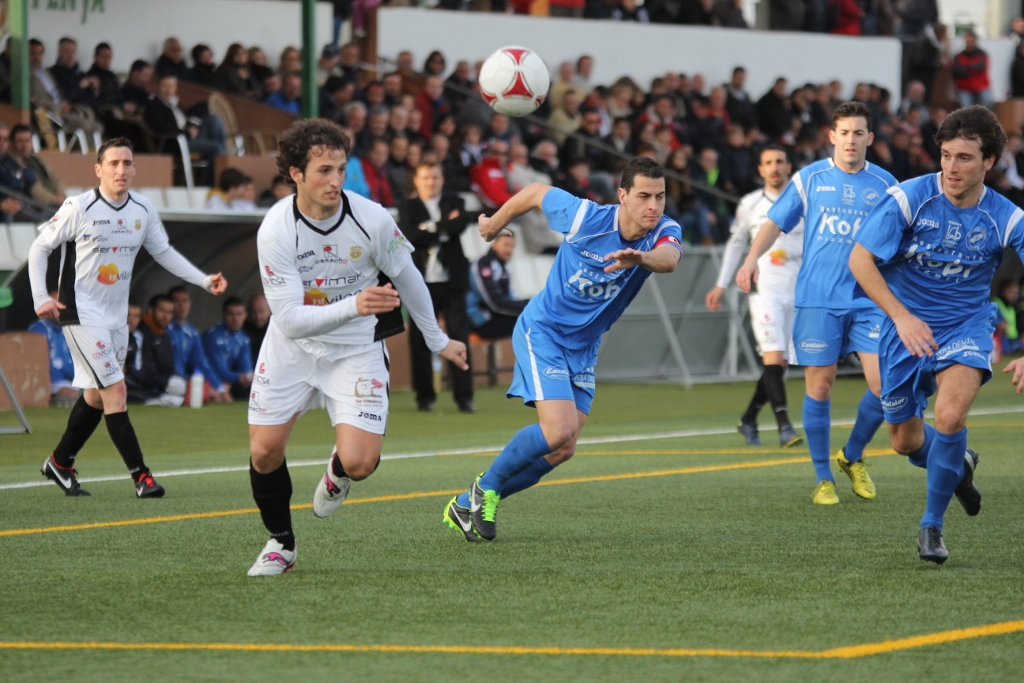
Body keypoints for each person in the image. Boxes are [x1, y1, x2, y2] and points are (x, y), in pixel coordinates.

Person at [245, 118, 466, 575]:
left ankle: (339, 470)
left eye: (341, 169)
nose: (334, 181)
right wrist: (355, 303)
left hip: (355, 350)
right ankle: (281, 544)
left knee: (362, 463)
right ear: (296, 173)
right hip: (292, 349)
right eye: (323, 170)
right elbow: (287, 318)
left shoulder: (371, 218)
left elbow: (411, 280)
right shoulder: (275, 230)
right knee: (265, 452)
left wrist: (438, 340)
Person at [444, 157, 683, 542]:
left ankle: (464, 502)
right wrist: (492, 224)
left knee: (562, 449)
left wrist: (641, 258)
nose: (653, 205)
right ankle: (483, 489)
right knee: (560, 430)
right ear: (622, 196)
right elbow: (536, 193)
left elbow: (669, 260)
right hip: (544, 331)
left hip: (584, 347)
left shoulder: (663, 232)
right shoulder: (585, 216)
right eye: (643, 196)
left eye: (659, 196)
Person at [848, 105, 1011, 563]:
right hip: (905, 329)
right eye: (945, 155)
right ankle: (958, 464)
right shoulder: (908, 198)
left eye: (964, 158)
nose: (951, 167)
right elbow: (860, 261)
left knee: (950, 414)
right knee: (904, 441)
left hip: (966, 326)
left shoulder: (1007, 217)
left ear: (989, 163)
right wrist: (901, 316)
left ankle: (931, 528)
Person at [27, 137, 227, 498]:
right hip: (80, 313)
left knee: (95, 395)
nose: (121, 170)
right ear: (98, 169)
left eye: (127, 163)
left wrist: (202, 279)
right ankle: (142, 477)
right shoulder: (79, 206)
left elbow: (163, 251)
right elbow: (40, 247)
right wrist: (41, 296)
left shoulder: (143, 209)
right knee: (116, 390)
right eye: (114, 163)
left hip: (116, 318)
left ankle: (60, 462)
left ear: (135, 168)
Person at [736, 102, 896, 505]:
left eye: (859, 133)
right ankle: (824, 477)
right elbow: (773, 222)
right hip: (818, 299)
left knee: (884, 385)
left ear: (870, 139)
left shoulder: (887, 184)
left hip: (868, 298)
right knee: (819, 386)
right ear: (832, 137)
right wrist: (751, 259)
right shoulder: (810, 179)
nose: (851, 140)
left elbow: (901, 237)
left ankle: (853, 456)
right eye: (844, 132)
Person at [706, 145, 803, 448]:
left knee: (780, 364)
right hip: (765, 290)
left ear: (789, 166)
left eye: (779, 161)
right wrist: (721, 284)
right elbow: (736, 244)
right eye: (768, 163)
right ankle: (785, 426)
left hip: (799, 291)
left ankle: (748, 420)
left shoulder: (805, 201)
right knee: (774, 357)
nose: (774, 167)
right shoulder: (749, 204)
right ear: (760, 170)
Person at [398, 160, 473, 412]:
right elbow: (410, 236)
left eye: (435, 177)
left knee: (459, 336)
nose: (431, 182)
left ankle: (464, 397)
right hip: (420, 283)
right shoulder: (408, 206)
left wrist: (429, 228)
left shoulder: (455, 202)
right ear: (416, 180)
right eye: (426, 177)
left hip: (453, 281)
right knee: (419, 339)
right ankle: (424, 397)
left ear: (442, 179)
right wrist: (443, 228)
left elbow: (460, 225)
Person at [167, 286, 228, 404]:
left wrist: (219, 387)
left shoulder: (192, 332)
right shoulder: (164, 330)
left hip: (183, 381)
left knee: (218, 394)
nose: (181, 305)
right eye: (177, 301)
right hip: (168, 382)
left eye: (185, 301)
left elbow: (200, 363)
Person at [467, 231, 529, 339]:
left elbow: (511, 299)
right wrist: (528, 306)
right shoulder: (483, 264)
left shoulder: (503, 269)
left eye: (512, 247)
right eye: (506, 245)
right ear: (494, 244)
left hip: (496, 316)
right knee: (531, 322)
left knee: (533, 318)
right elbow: (494, 303)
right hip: (481, 321)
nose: (509, 250)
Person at [129, 294, 186, 407]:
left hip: (158, 383)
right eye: (162, 311)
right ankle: (152, 400)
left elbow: (169, 367)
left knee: (180, 390)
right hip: (142, 384)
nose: (166, 316)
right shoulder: (140, 333)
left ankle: (155, 399)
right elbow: (144, 370)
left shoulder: (165, 336)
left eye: (169, 312)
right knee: (180, 387)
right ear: (150, 310)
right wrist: (163, 382)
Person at [28, 291, 79, 406]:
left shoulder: (73, 327)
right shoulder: (39, 329)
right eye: (56, 306)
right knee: (73, 395)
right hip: (52, 381)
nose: (59, 311)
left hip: (75, 379)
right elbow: (40, 365)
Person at [203, 297, 254, 401]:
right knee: (225, 397)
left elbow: (246, 369)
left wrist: (248, 377)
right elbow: (219, 371)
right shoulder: (214, 336)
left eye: (239, 314)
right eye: (231, 314)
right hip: (206, 379)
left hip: (226, 381)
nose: (235, 319)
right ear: (223, 315)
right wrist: (240, 377)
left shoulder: (243, 339)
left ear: (245, 316)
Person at [951, 31, 992, 110]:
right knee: (966, 108)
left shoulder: (982, 54)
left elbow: (981, 67)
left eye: (972, 41)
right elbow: (957, 72)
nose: (970, 43)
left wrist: (966, 68)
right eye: (968, 41)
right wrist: (972, 69)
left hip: (981, 87)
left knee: (987, 100)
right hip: (965, 89)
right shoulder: (958, 57)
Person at [244, 293, 271, 365]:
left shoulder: (277, 329)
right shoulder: (242, 332)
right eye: (254, 312)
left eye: (261, 312)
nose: (258, 317)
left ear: (270, 311)